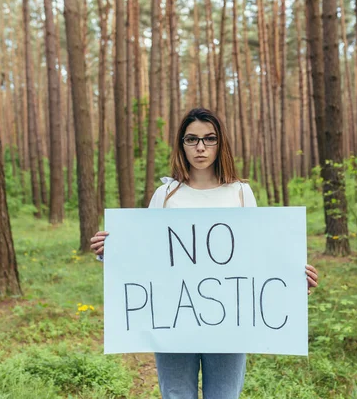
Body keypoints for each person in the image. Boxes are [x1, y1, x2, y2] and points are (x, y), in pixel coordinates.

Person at [90, 107, 319, 399]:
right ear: (181, 144)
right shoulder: (166, 195)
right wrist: (110, 252)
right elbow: (145, 253)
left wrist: (292, 280)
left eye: (209, 139)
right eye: (191, 139)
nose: (200, 147)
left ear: (220, 143)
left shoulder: (240, 193)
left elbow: (259, 256)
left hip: (230, 322)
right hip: (172, 317)